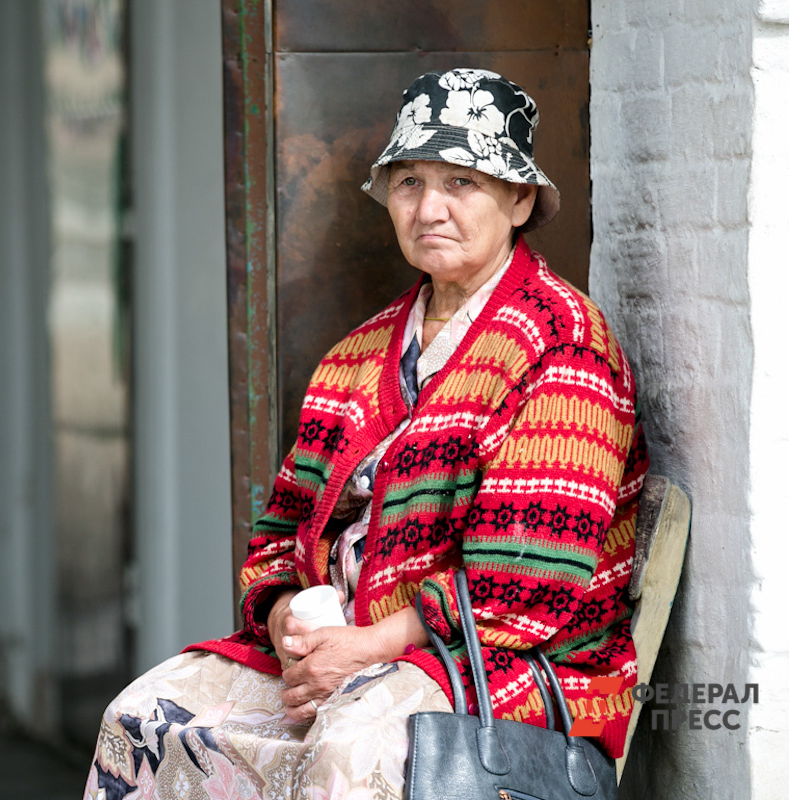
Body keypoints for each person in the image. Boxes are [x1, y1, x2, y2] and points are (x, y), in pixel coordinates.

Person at [84, 68, 648, 800]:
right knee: (144, 720)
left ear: (519, 198)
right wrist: (291, 621)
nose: (430, 208)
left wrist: (365, 648)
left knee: (355, 748)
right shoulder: (359, 353)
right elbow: (278, 529)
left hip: (505, 665)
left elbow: (526, 584)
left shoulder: (563, 345)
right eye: (410, 182)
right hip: (341, 652)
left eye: (462, 183)